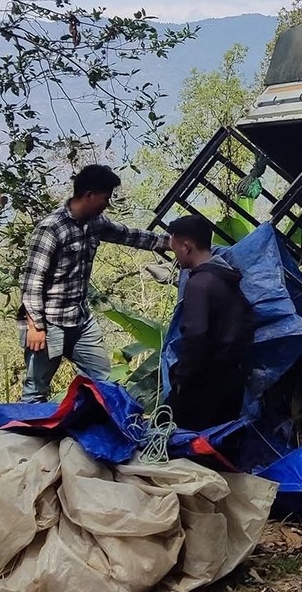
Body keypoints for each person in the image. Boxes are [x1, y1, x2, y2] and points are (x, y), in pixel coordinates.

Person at [19, 164, 170, 403]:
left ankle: (91, 426)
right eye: (105, 197)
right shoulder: (52, 229)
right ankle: (24, 437)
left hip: (80, 320)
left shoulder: (95, 222)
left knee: (102, 379)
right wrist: (35, 327)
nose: (107, 203)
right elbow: (31, 282)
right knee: (36, 390)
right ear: (89, 195)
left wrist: (170, 242)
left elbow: (128, 235)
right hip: (49, 324)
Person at [165, 215, 255, 432]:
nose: (176, 255)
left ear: (186, 246)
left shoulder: (198, 283)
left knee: (174, 438)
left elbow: (195, 335)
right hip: (233, 378)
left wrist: (181, 378)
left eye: (175, 248)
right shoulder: (228, 278)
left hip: (205, 382)